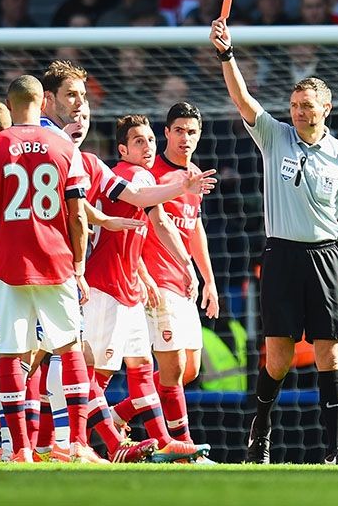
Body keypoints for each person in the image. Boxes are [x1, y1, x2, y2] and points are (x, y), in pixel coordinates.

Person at [210, 18, 338, 465]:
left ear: (327, 107)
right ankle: (260, 433)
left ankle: (334, 451)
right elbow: (242, 99)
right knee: (278, 358)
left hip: (325, 257)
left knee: (330, 355)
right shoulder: (274, 136)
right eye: (294, 105)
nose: (299, 112)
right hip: (281, 255)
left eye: (306, 106)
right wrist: (227, 54)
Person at [0, 75, 104, 464]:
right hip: (56, 262)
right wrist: (79, 266)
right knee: (69, 349)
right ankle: (78, 442)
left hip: (8, 265)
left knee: (12, 354)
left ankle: (22, 449)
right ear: (42, 103)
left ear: (8, 105)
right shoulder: (64, 147)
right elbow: (78, 214)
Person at [82, 114, 212, 464]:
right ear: (123, 149)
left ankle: (163, 442)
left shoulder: (139, 178)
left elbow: (154, 224)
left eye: (151, 140)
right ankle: (84, 441)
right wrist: (182, 188)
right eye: (139, 141)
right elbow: (148, 210)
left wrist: (182, 265)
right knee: (93, 374)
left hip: (129, 288)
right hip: (105, 286)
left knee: (141, 366)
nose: (149, 146)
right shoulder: (130, 176)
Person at [111, 102, 219, 446]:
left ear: (199, 135)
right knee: (171, 369)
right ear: (167, 133)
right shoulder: (149, 173)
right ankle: (183, 446)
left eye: (192, 132)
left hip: (184, 282)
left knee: (191, 369)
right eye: (179, 131)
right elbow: (145, 227)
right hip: (158, 281)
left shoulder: (194, 175)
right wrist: (143, 275)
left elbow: (194, 227)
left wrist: (208, 279)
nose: (185, 138)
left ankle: (118, 414)